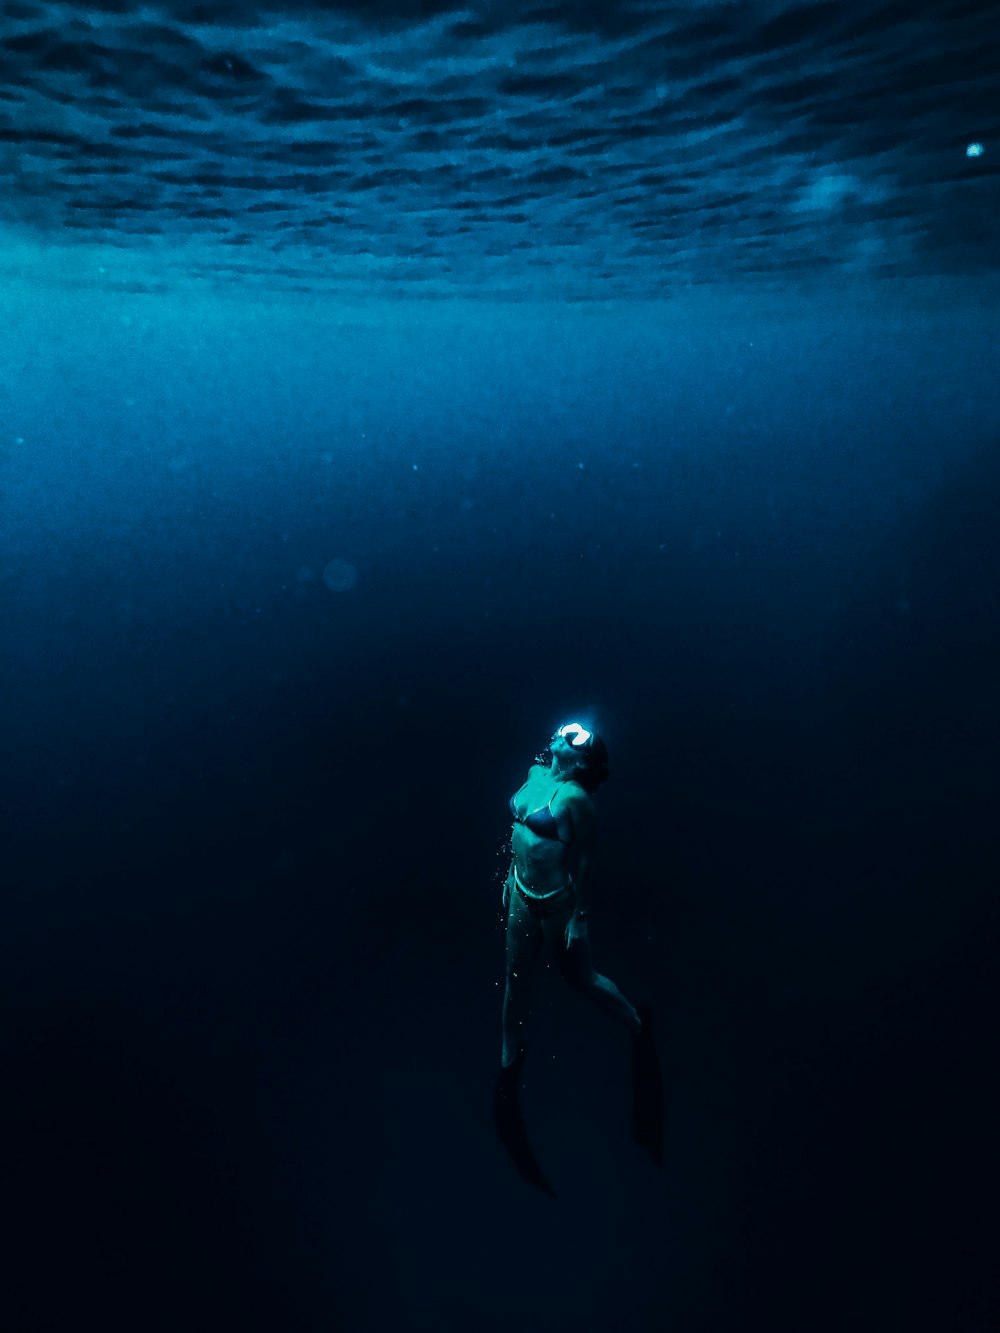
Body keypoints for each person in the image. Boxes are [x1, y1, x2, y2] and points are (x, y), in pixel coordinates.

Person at [493, 722, 663, 1193]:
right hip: (522, 897)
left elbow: (585, 860)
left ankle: (636, 1023)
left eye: (575, 738)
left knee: (581, 981)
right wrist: (510, 876)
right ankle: (508, 1064)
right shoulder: (534, 772)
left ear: (582, 761)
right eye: (567, 731)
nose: (563, 736)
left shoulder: (575, 801)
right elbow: (518, 832)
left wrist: (578, 918)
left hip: (556, 905)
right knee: (515, 981)